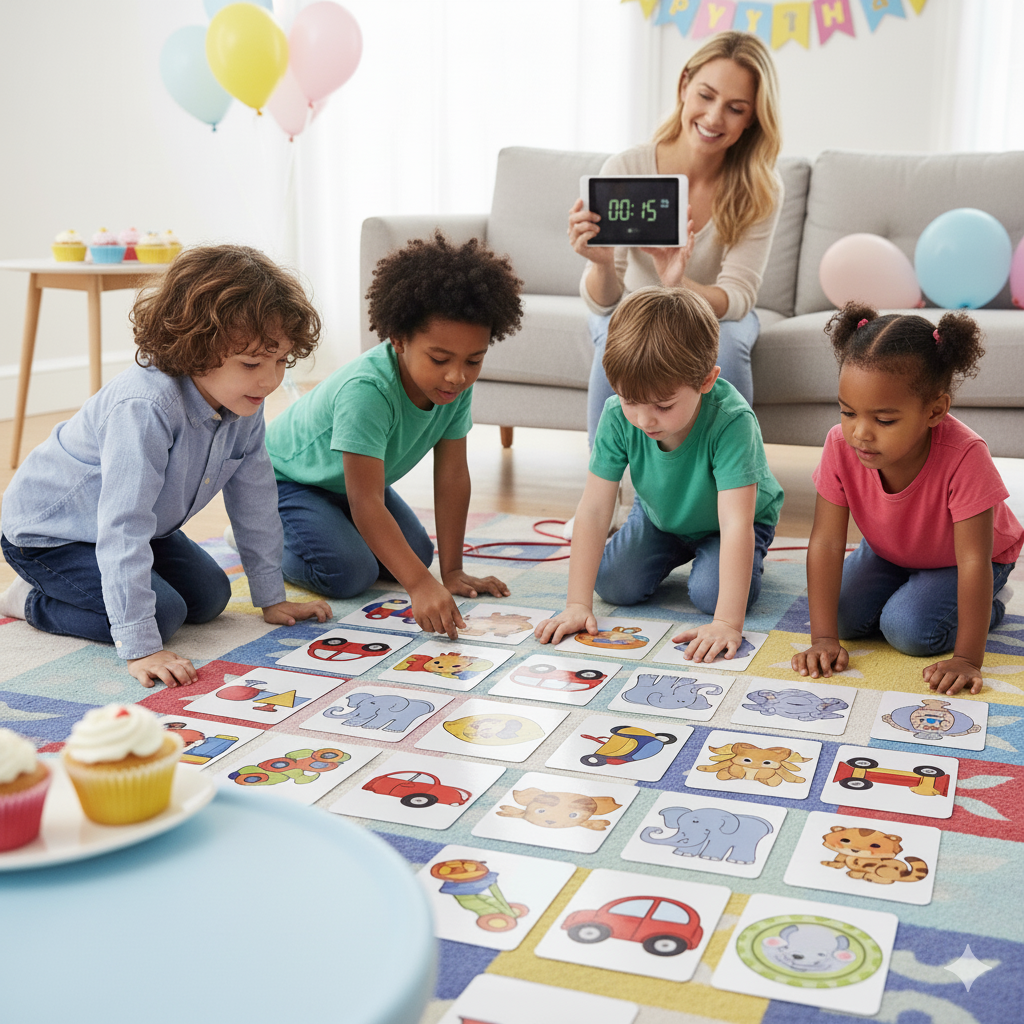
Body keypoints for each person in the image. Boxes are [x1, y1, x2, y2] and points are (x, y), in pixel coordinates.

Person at [0, 246, 332, 689]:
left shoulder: (245, 403)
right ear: (195, 349)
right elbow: (123, 525)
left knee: (212, 597)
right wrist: (140, 647)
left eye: (280, 361)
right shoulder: (145, 406)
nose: (270, 380)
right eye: (252, 364)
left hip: (143, 528)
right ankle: (27, 601)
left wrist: (271, 597)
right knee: (162, 615)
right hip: (51, 536)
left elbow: (255, 500)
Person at [265, 231, 523, 638]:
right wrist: (420, 585)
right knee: (351, 573)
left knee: (418, 554)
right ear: (399, 340)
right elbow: (365, 501)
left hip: (348, 484)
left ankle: (326, 529)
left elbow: (453, 477)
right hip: (287, 481)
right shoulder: (367, 391)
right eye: (439, 358)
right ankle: (262, 540)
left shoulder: (453, 387)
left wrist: (449, 571)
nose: (457, 375)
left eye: (474, 360)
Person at [535, 287, 783, 663]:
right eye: (630, 400)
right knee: (612, 585)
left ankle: (720, 566)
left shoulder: (732, 421)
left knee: (711, 596)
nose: (644, 419)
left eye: (663, 405)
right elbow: (594, 510)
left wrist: (727, 623)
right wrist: (575, 604)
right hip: (660, 516)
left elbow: (736, 523)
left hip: (729, 523)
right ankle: (676, 551)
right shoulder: (617, 415)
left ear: (706, 380)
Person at [792, 303, 1022, 696]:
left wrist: (968, 658)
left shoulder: (965, 456)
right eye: (848, 412)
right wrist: (823, 637)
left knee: (909, 631)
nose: (860, 432)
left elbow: (971, 561)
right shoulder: (839, 445)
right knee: (842, 616)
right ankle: (907, 586)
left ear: (936, 410)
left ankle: (993, 604)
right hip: (890, 550)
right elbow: (827, 541)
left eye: (884, 420)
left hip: (964, 560)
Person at [568, 29, 783, 447]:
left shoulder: (761, 187)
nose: (715, 117)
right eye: (706, 95)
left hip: (712, 312)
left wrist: (677, 282)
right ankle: (604, 492)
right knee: (618, 335)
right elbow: (604, 302)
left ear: (753, 117)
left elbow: (737, 298)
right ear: (684, 85)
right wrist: (598, 261)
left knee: (729, 346)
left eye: (735, 108)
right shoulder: (628, 167)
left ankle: (725, 484)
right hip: (631, 302)